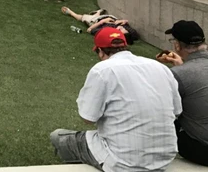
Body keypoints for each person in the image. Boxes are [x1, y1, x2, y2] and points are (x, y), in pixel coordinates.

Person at [51, 27, 182, 171]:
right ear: (125, 46)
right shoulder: (160, 67)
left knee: (58, 136)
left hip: (123, 162)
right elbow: (177, 111)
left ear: (100, 51)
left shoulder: (102, 70)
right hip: (164, 158)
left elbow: (88, 118)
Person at [156, 21, 208, 165]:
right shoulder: (182, 72)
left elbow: (165, 110)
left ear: (177, 45)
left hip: (202, 150)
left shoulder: (178, 74)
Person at [60, 7, 140, 43]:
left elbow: (90, 30)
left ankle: (70, 12)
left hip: (95, 21)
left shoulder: (106, 31)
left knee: (82, 17)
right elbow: (133, 33)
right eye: (123, 29)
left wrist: (103, 21)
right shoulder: (129, 31)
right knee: (102, 16)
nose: (120, 28)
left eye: (119, 30)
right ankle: (98, 13)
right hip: (110, 17)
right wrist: (123, 21)